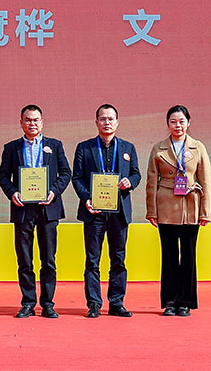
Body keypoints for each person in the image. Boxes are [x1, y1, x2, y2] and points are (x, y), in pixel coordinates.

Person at [0, 104, 72, 318]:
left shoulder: (55, 145)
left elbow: (65, 173)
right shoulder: (11, 148)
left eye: (36, 120)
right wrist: (12, 192)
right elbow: (3, 176)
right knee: (24, 259)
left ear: (42, 122)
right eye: (28, 120)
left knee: (48, 259)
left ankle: (48, 303)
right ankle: (28, 302)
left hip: (48, 209)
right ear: (21, 123)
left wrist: (54, 192)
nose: (32, 123)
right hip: (23, 210)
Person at [71, 104, 141, 318]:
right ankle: (94, 303)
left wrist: (130, 182)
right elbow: (77, 178)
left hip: (119, 213)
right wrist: (87, 198)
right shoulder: (84, 148)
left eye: (111, 119)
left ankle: (116, 303)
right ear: (96, 122)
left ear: (117, 122)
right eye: (103, 118)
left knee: (118, 259)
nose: (107, 122)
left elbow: (136, 174)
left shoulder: (128, 148)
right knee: (92, 260)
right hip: (94, 212)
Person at [146, 105, 211, 317]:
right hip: (165, 207)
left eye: (182, 121)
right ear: (167, 124)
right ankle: (170, 302)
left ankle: (186, 302)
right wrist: (151, 211)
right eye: (173, 121)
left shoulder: (198, 147)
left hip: (191, 207)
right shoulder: (158, 148)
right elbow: (151, 182)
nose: (178, 125)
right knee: (169, 256)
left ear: (188, 123)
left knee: (189, 256)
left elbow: (206, 182)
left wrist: (205, 211)